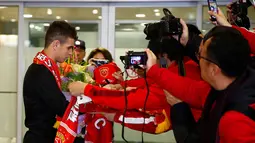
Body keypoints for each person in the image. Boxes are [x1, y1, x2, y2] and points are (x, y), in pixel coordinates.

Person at [146, 26, 255, 143]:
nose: (197, 59)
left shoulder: (236, 122)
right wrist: (153, 70)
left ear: (214, 69)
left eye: (200, 55)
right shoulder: (226, 86)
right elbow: (189, 88)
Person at [23, 21, 78, 143]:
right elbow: (61, 108)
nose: (71, 53)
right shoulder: (40, 71)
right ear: (56, 44)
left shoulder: (47, 67)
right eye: (69, 48)